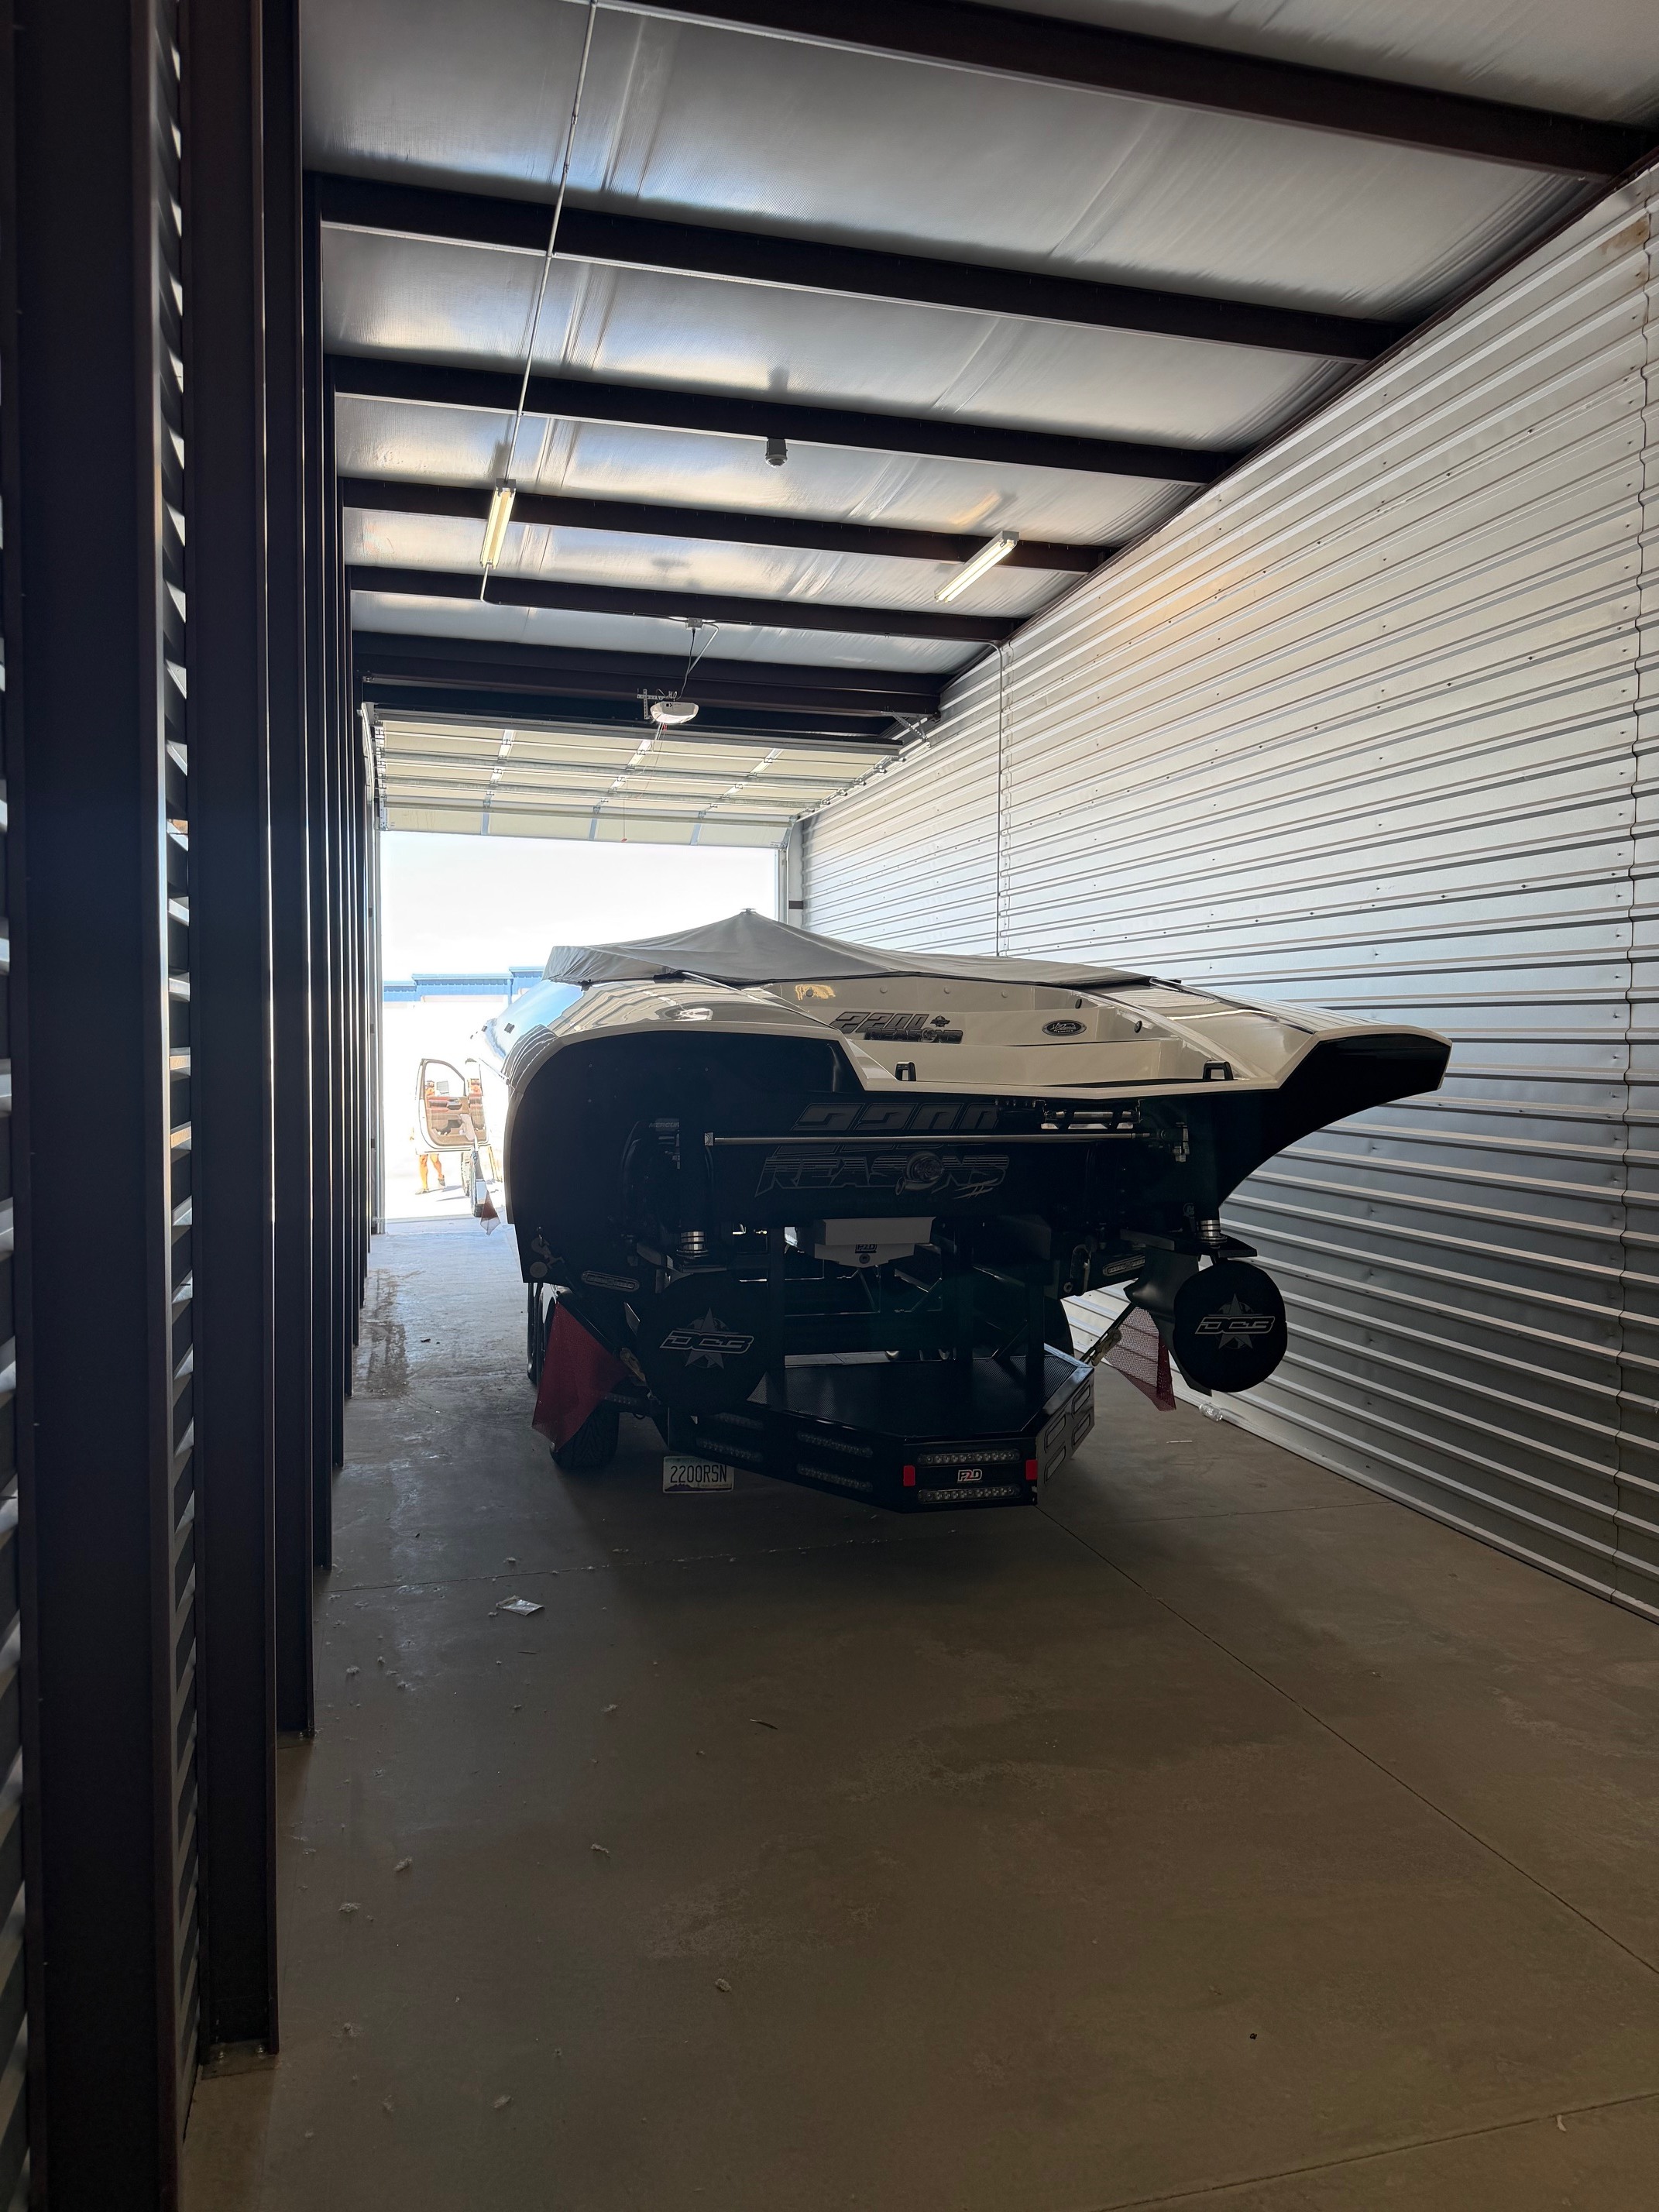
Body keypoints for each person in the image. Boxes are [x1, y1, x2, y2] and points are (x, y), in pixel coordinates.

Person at [410, 1123, 446, 1194]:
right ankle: (425, 1187)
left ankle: (440, 1175)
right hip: (420, 1133)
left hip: (432, 1131)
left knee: (434, 1159)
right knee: (422, 1160)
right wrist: (412, 1132)